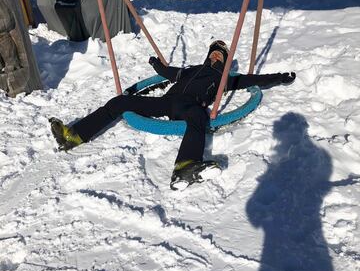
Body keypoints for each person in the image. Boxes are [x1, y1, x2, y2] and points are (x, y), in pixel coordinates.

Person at [50, 40, 296, 190]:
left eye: (220, 54)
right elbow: (168, 73)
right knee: (118, 102)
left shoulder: (225, 79)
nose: (215, 55)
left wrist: (279, 78)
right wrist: (157, 66)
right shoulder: (189, 71)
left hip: (190, 106)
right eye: (213, 51)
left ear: (225, 60)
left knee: (200, 117)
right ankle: (74, 136)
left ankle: (186, 166)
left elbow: (254, 80)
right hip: (166, 103)